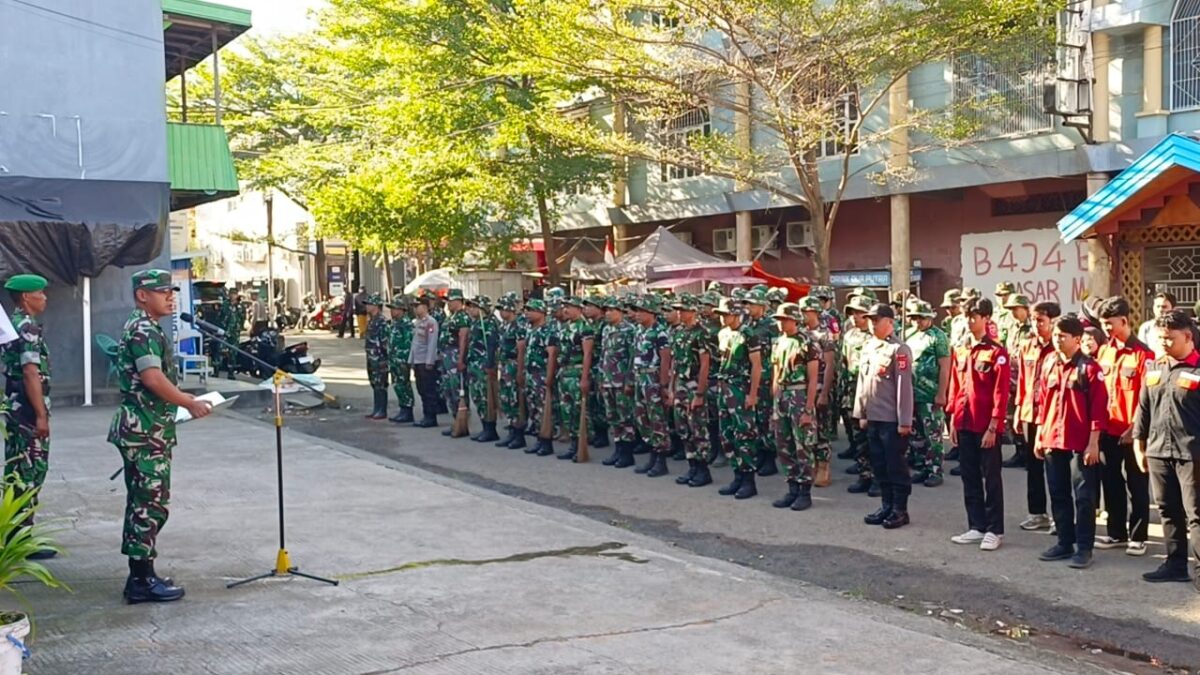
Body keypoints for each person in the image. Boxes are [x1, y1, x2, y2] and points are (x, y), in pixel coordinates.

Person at [109, 269, 213, 603]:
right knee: (148, 504)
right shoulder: (142, 330)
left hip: (148, 427)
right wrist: (189, 402)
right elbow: (152, 379)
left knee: (146, 502)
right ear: (142, 295)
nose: (170, 296)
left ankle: (143, 574)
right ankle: (140, 582)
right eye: (162, 291)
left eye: (172, 291)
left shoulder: (147, 327)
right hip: (143, 431)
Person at [1035, 315, 1109, 570]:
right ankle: (1064, 542)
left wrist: (1093, 443)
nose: (1057, 340)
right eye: (1055, 335)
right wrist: (1039, 435)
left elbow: (1099, 410)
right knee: (1058, 493)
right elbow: (1043, 402)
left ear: (1077, 339)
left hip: (1081, 442)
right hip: (1053, 439)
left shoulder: (1090, 369)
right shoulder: (1048, 363)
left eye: (1062, 336)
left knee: (1084, 496)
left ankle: (1084, 547)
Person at [1134, 309, 1200, 587]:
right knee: (1167, 509)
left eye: (1170, 339)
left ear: (1188, 337)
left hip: (1192, 454)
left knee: (1196, 514)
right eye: (1160, 338)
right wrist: (1140, 445)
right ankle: (1175, 563)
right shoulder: (1154, 368)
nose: (1163, 344)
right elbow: (1143, 410)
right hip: (1159, 451)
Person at [946, 298, 1011, 551]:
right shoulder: (961, 350)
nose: (970, 321)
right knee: (969, 474)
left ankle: (995, 529)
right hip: (964, 420)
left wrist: (994, 425)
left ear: (986, 319)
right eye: (967, 316)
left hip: (985, 424)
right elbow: (956, 385)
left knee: (991, 477)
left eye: (975, 316)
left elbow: (1000, 392)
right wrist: (952, 417)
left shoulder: (996, 352)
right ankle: (976, 525)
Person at [1094, 296, 1154, 556]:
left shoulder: (1144, 354)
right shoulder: (1104, 351)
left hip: (1133, 432)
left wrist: (1136, 429)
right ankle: (1116, 532)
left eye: (1110, 323)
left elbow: (1147, 397)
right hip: (1108, 428)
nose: (1106, 328)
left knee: (1137, 483)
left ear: (1125, 321)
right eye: (1103, 324)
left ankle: (1138, 536)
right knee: (1111, 482)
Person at [2, 274, 54, 558]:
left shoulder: (13, 324)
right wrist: (41, 416)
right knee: (29, 472)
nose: (45, 297)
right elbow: (30, 372)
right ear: (26, 297)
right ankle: (17, 541)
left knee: (18, 471)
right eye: (40, 293)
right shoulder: (27, 327)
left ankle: (18, 537)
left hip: (16, 409)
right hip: (27, 412)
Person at [855, 303, 915, 529]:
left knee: (895, 465)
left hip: (892, 419)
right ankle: (886, 505)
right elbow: (863, 381)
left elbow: (904, 387)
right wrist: (861, 412)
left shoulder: (899, 350)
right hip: (874, 416)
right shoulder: (869, 346)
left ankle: (900, 509)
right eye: (870, 319)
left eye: (876, 320)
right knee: (879, 464)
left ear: (889, 322)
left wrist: (905, 420)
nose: (871, 324)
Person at [1014, 301, 1060, 532]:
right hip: (1030, 414)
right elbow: (1023, 380)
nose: (1036, 324)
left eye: (1041, 320)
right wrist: (1018, 410)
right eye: (1033, 320)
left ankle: (1058, 516)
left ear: (1053, 322)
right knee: (1033, 466)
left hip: (1052, 417)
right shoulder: (1027, 346)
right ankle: (1037, 513)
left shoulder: (1060, 347)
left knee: (1054, 467)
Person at [770, 302, 820, 511]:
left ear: (795, 320)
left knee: (803, 446)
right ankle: (792, 487)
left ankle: (805, 491)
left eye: (785, 320)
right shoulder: (778, 342)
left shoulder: (807, 342)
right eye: (779, 320)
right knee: (784, 444)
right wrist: (774, 404)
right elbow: (775, 373)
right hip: (782, 395)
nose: (781, 324)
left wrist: (809, 409)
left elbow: (813, 378)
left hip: (799, 394)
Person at [714, 297, 762, 499]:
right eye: (722, 315)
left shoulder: (748, 334)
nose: (723, 318)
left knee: (744, 434)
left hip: (741, 389)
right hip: (724, 388)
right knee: (727, 434)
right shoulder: (723, 333)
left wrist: (752, 394)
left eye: (726, 314)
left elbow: (757, 366)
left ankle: (749, 480)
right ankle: (737, 475)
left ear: (735, 314)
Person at [905, 299, 951, 488]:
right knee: (917, 434)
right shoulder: (909, 335)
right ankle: (922, 466)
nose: (918, 321)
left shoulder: (938, 336)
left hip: (930, 393)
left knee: (933, 434)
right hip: (912, 393)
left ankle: (935, 469)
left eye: (921, 318)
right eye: (914, 318)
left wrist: (941, 393)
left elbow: (945, 367)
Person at [669, 295, 714, 488]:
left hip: (694, 384)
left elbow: (705, 365)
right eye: (679, 309)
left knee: (698, 428)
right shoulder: (678, 332)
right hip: (680, 384)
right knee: (683, 428)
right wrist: (671, 387)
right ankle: (692, 465)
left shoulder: (702, 333)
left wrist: (700, 393)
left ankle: (703, 469)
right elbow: (674, 362)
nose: (681, 313)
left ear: (693, 311)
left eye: (684, 310)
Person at [630, 295, 671, 476]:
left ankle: (660, 459)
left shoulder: (660, 332)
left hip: (653, 379)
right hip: (640, 378)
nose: (637, 314)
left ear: (652, 313)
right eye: (637, 311)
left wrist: (663, 385)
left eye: (641, 311)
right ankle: (652, 454)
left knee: (657, 419)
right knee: (642, 418)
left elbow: (665, 359)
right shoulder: (639, 331)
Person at [799, 296, 838, 487]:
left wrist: (824, 393)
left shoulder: (825, 335)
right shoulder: (800, 334)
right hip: (804, 389)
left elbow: (830, 365)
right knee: (808, 430)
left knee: (822, 429)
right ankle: (811, 464)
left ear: (814, 312)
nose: (803, 315)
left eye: (806, 311)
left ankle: (824, 467)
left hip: (821, 386)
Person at [841, 295, 876, 495]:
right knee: (858, 437)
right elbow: (844, 364)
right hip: (852, 391)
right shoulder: (849, 336)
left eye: (859, 313)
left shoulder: (876, 337)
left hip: (871, 393)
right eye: (852, 313)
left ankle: (877, 478)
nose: (855, 317)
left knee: (873, 438)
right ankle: (864, 474)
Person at [600, 297, 639, 468]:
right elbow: (604, 355)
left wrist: (629, 381)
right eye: (606, 310)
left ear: (621, 312)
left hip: (622, 380)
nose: (608, 313)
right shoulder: (606, 329)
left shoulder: (629, 330)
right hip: (608, 379)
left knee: (625, 417)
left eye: (612, 310)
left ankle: (627, 453)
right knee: (612, 417)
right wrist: (601, 377)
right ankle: (618, 448)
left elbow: (632, 357)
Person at [744, 288, 778, 477]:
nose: (748, 307)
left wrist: (775, 380)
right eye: (747, 304)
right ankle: (759, 453)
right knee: (755, 419)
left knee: (766, 420)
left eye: (752, 304)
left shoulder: (772, 325)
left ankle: (769, 457)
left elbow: (776, 354)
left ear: (762, 305)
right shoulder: (748, 324)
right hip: (752, 378)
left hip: (766, 378)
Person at [520, 298, 559, 457]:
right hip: (531, 373)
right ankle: (538, 438)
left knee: (544, 409)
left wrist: (549, 377)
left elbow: (552, 355)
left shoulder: (547, 330)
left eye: (531, 310)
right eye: (526, 310)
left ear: (541, 312)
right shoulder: (531, 329)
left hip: (541, 373)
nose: (527, 313)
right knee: (533, 408)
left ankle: (546, 441)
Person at [1000, 294, 1033, 469]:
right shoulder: (1010, 327)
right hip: (1010, 377)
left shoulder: (1033, 328)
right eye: (1011, 309)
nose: (1013, 313)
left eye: (1016, 309)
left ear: (1025, 309)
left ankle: (1030, 453)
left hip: (1026, 377)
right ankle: (1019, 451)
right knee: (1011, 416)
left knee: (1027, 417)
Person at [464, 296, 501, 443]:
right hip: (474, 364)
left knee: (486, 397)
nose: (470, 309)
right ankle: (484, 426)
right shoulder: (476, 323)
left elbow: (491, 345)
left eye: (474, 307)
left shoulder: (489, 324)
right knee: (477, 396)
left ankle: (490, 428)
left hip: (483, 364)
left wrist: (490, 364)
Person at [494, 295, 527, 448]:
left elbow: (521, 349)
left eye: (503, 309)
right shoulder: (503, 326)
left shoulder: (518, 326)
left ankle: (519, 434)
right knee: (506, 399)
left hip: (514, 365)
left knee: (515, 400)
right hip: (505, 365)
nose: (501, 312)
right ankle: (511, 432)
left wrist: (520, 370)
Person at [439, 289, 472, 436]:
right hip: (446, 354)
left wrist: (460, 359)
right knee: (448, 389)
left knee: (457, 389)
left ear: (458, 301)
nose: (448, 303)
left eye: (450, 301)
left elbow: (463, 338)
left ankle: (462, 423)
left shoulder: (462, 317)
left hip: (455, 354)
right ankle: (455, 422)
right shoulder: (451, 317)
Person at [409, 296, 441, 428]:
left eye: (418, 306)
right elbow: (414, 343)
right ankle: (425, 415)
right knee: (421, 389)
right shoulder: (417, 322)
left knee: (429, 390)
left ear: (425, 307)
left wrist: (430, 361)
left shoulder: (431, 322)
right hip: (417, 361)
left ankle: (431, 417)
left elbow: (432, 343)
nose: (416, 309)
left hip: (426, 362)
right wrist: (410, 360)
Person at [387, 296, 415, 424]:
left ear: (401, 310)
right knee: (397, 384)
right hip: (394, 359)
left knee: (404, 384)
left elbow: (409, 343)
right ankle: (402, 408)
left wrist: (405, 359)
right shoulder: (395, 323)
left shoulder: (406, 323)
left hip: (402, 359)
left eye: (394, 309)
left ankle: (407, 410)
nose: (392, 311)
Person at [363, 294, 389, 420]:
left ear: (376, 306)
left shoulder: (382, 321)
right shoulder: (371, 320)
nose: (367, 307)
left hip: (379, 358)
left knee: (380, 383)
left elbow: (385, 341)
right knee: (374, 382)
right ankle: (376, 408)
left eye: (369, 304)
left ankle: (382, 410)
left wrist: (385, 357)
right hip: (371, 357)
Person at [1138, 292, 1176, 357]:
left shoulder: (1179, 328)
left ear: (1173, 309)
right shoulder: (1146, 328)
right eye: (1157, 306)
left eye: (1164, 307)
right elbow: (1141, 351)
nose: (1160, 310)